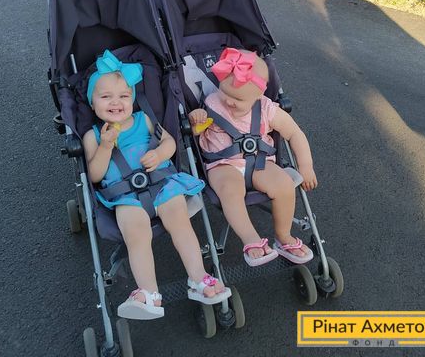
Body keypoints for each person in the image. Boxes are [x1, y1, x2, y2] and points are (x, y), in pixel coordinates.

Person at [83, 50, 230, 320]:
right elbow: (94, 175)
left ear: (132, 98)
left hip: (162, 183)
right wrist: (105, 146)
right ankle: (149, 292)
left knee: (180, 221)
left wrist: (161, 153)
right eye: (105, 97)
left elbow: (170, 142)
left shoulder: (144, 119)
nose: (116, 102)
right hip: (125, 196)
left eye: (123, 96)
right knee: (136, 233)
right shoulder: (93, 136)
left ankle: (199, 278)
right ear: (92, 103)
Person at [189, 48, 318, 267]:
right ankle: (250, 239)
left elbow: (294, 133)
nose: (229, 101)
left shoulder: (266, 108)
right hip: (222, 165)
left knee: (285, 185)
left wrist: (305, 166)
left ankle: (283, 237)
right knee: (230, 190)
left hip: (260, 161)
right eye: (225, 92)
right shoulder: (212, 103)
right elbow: (195, 133)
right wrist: (195, 120)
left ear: (258, 94)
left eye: (238, 99)